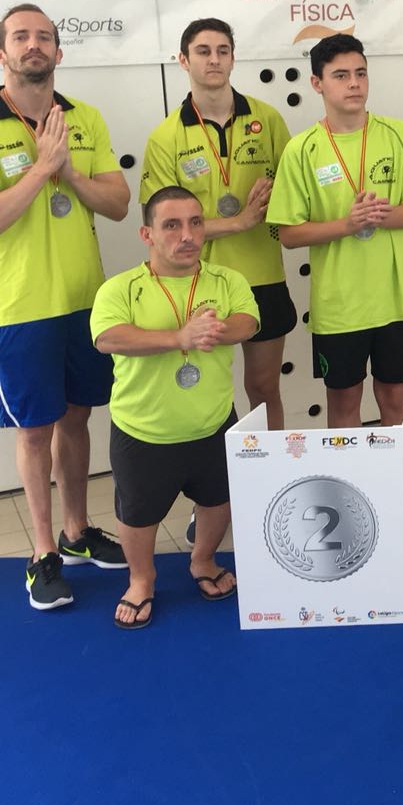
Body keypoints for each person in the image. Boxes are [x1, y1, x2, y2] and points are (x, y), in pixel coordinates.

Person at [0, 3, 129, 610]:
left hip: (85, 301)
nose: (34, 45)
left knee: (77, 418)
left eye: (44, 36)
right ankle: (43, 552)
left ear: (58, 51)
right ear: (0, 52)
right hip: (20, 307)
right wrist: (42, 168)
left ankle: (76, 533)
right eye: (20, 36)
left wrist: (68, 172)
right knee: (34, 430)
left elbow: (118, 204)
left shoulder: (84, 117)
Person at [267, 33, 403, 555]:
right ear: (317, 84)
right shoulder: (303, 149)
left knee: (395, 403)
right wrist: (347, 223)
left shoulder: (396, 135)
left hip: (395, 300)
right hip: (340, 307)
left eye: (361, 73)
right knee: (343, 407)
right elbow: (288, 232)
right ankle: (349, 509)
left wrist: (378, 216)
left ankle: (402, 504)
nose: (354, 84)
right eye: (341, 75)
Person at [141, 18, 294, 548]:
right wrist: (237, 221)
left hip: (263, 278)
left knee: (264, 388)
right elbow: (165, 224)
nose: (214, 59)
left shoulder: (268, 119)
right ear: (183, 60)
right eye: (202, 51)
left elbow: (290, 192)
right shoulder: (167, 136)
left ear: (233, 57)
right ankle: (211, 501)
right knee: (208, 398)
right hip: (197, 286)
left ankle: (271, 481)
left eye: (223, 50)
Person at [91, 188, 258, 629]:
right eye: (171, 225)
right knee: (137, 514)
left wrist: (213, 331)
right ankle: (141, 580)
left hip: (213, 423)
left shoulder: (227, 281)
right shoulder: (120, 288)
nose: (187, 235)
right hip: (143, 430)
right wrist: (178, 338)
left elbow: (248, 321)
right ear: (146, 234)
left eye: (195, 223)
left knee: (218, 500)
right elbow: (107, 337)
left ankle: (203, 561)